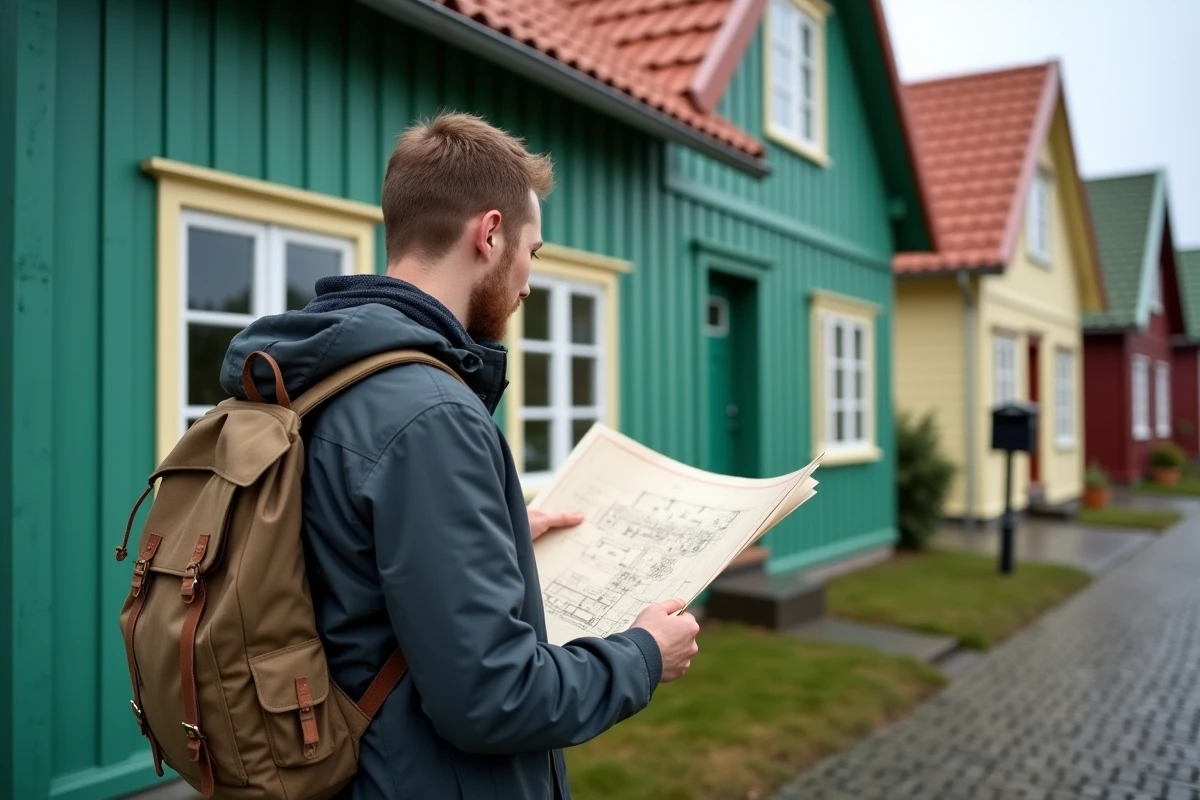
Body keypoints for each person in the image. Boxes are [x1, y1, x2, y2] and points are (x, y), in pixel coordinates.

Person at [219, 112, 700, 800]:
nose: (530, 282)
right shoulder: (429, 413)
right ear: (491, 232)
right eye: (533, 251)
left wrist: (494, 539)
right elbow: (495, 697)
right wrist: (643, 655)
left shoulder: (320, 374)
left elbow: (347, 568)